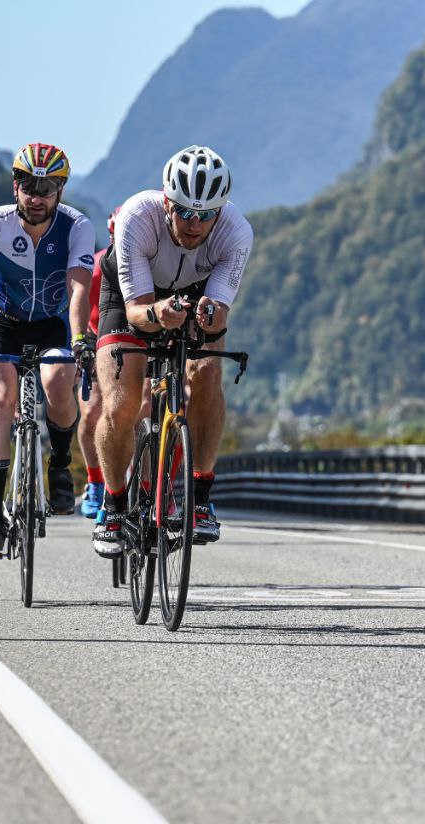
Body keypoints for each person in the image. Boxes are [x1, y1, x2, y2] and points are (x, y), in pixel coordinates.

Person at [91, 145, 253, 557]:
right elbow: (137, 312)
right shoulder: (136, 217)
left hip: (194, 293)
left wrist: (210, 314)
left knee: (207, 373)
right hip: (131, 299)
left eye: (206, 215)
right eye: (183, 211)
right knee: (123, 402)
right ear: (167, 202)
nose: (194, 223)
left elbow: (220, 314)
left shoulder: (236, 232)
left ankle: (199, 497)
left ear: (220, 211)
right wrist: (159, 314)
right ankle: (113, 504)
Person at [0, 142, 95, 552]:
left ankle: (60, 463)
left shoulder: (77, 226)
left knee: (59, 384)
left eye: (46, 188)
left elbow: (78, 289)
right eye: (28, 186)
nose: (36, 196)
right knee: (0, 401)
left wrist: (80, 337)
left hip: (52, 323)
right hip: (1, 321)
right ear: (15, 186)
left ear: (60, 190)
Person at [77, 207, 120, 519]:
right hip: (96, 336)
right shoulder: (95, 268)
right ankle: (94, 482)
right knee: (92, 411)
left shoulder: (154, 264)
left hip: (136, 338)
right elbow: (79, 311)